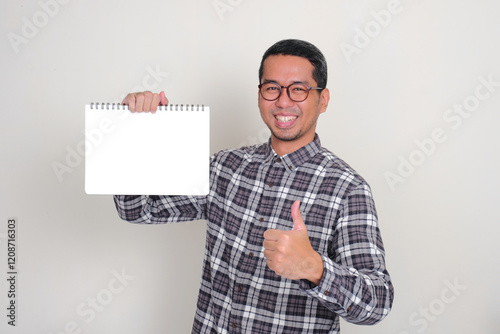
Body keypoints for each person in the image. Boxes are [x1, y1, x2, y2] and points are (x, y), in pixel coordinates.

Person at [114, 39, 394, 333]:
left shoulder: (347, 189)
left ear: (322, 100)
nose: (283, 102)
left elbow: (377, 303)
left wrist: (315, 268)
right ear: (260, 94)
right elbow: (139, 209)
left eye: (298, 89)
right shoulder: (224, 167)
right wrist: (135, 130)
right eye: (272, 88)